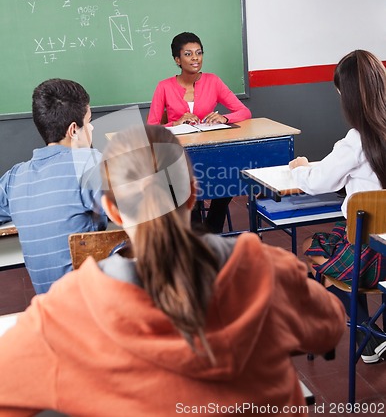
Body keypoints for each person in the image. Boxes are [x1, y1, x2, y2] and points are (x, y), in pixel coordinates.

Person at [0, 125, 345, 416]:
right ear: (194, 193)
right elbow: (328, 328)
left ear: (112, 210)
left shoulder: (63, 313)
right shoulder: (267, 271)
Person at [289, 49, 386, 363]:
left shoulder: (357, 140)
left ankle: (365, 335)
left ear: (348, 96)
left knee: (313, 245)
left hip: (369, 255)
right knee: (342, 235)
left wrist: (300, 167)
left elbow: (318, 182)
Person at [0, 78, 107, 294]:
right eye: (89, 120)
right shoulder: (88, 162)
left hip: (49, 310)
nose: (93, 127)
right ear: (73, 130)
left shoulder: (14, 177)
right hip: (93, 306)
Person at [148, 32, 252, 233]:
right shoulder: (164, 87)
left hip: (211, 154)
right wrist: (175, 123)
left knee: (229, 179)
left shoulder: (213, 81)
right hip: (178, 157)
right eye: (188, 54)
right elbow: (151, 127)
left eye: (199, 53)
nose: (195, 58)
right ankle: (195, 230)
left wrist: (225, 118)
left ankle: (212, 229)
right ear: (177, 60)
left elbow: (244, 111)